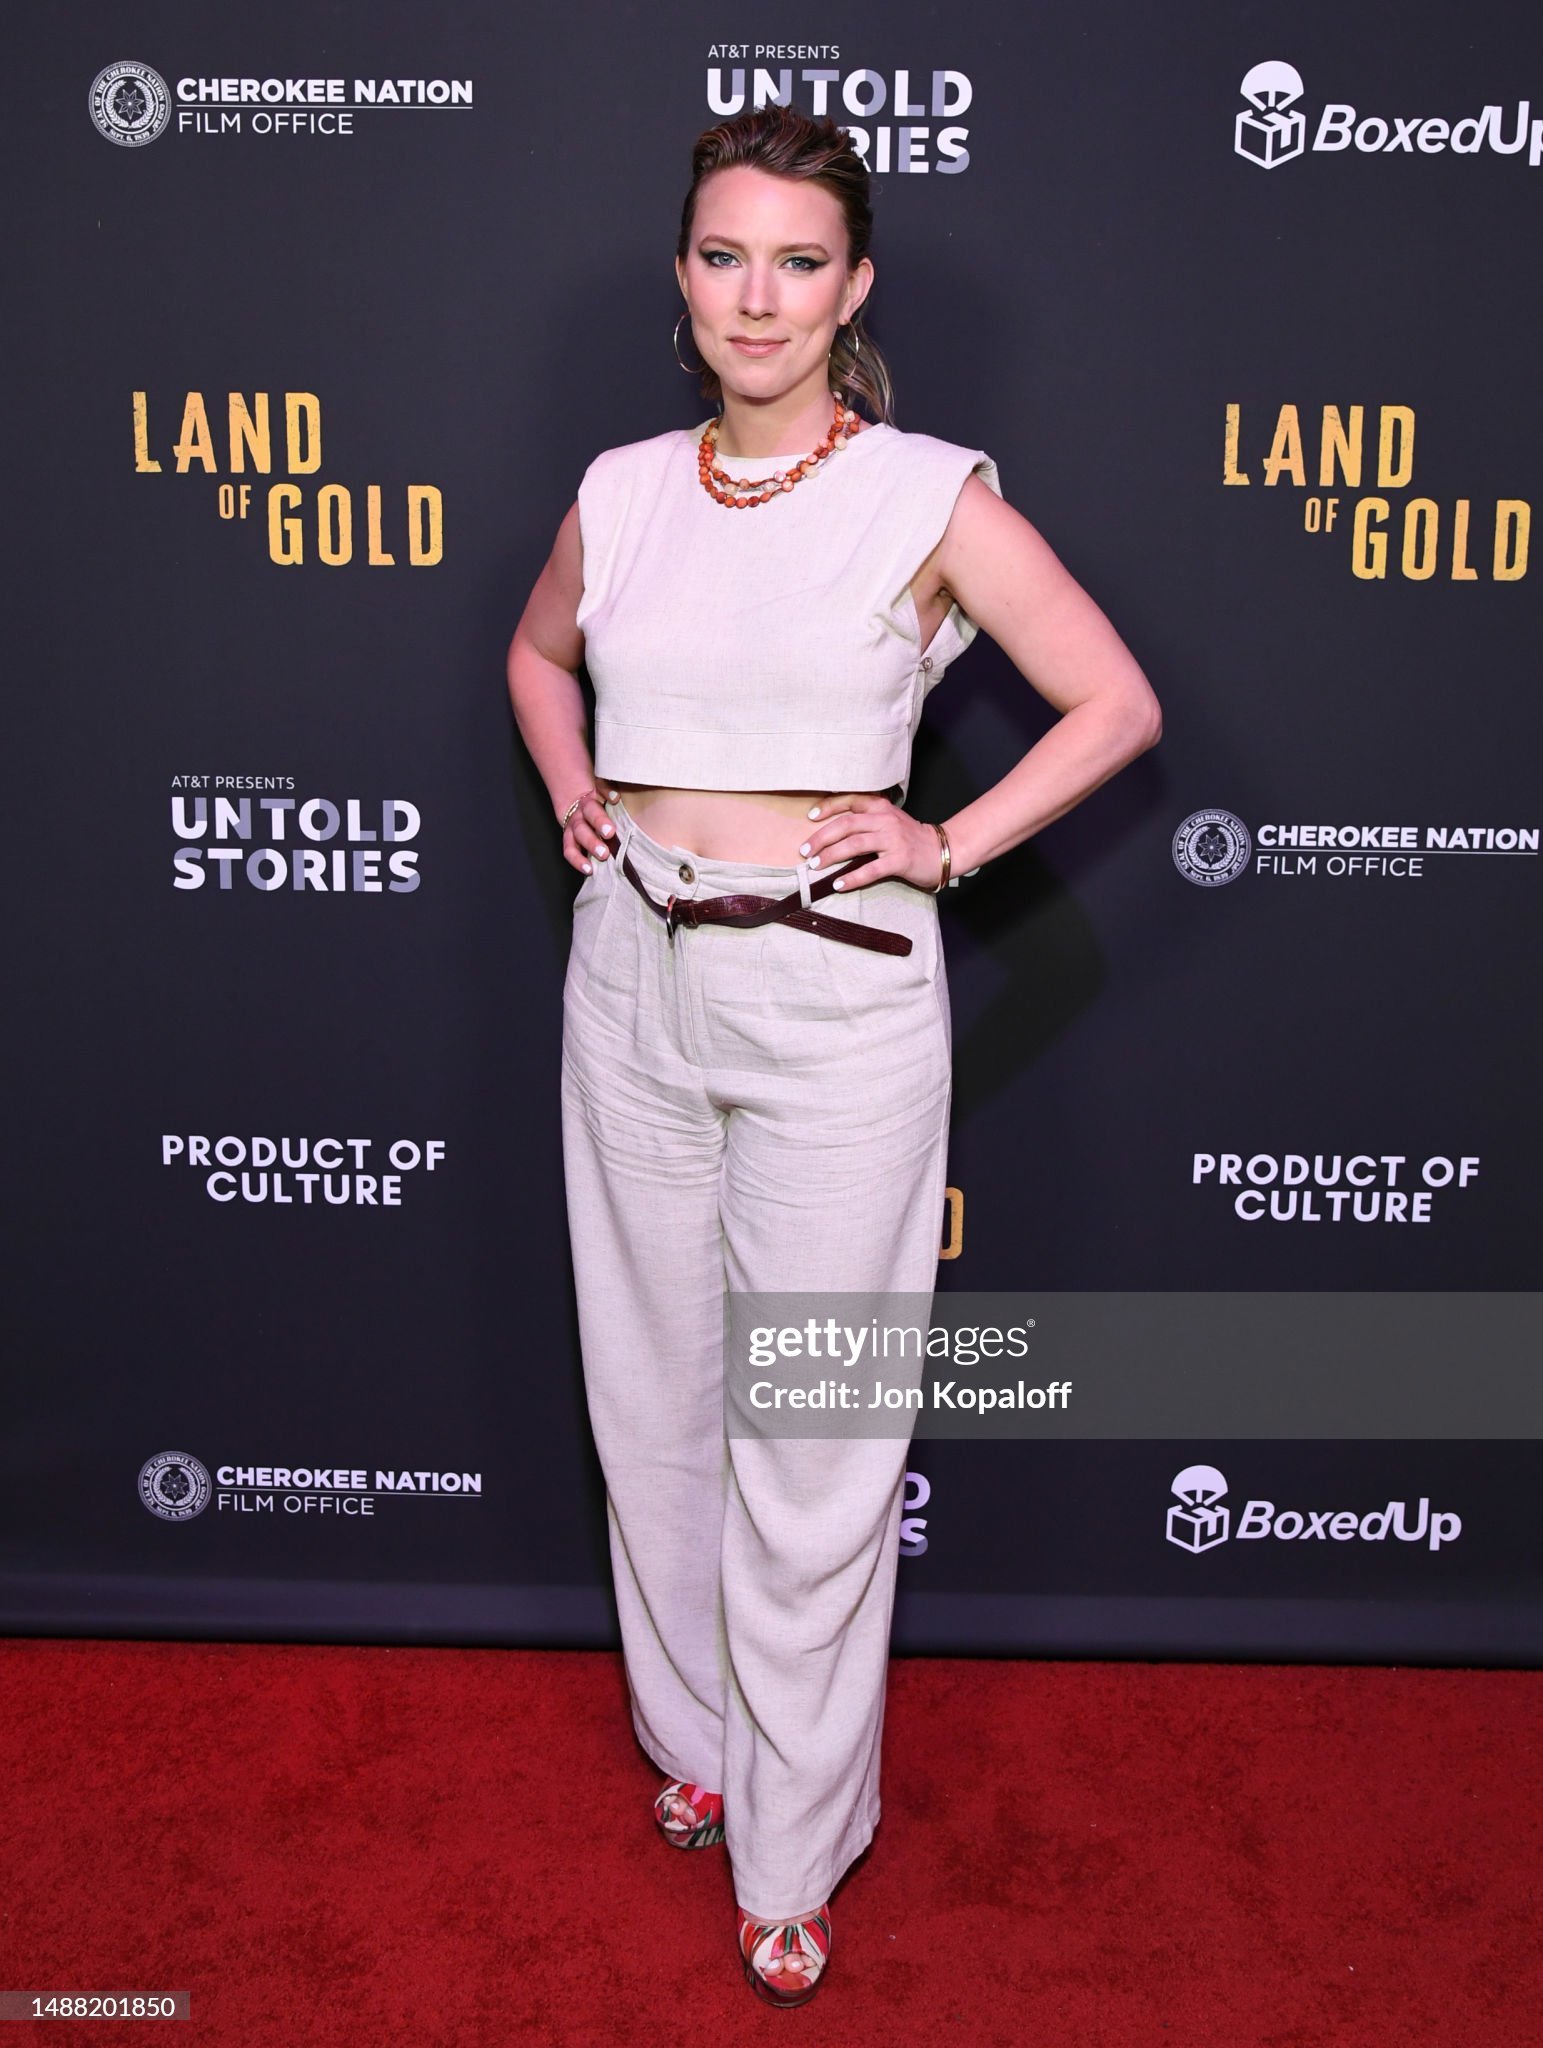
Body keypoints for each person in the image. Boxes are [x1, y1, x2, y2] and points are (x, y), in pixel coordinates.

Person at [505, 102, 1161, 2007]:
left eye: (799, 263)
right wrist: (576, 786)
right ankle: (701, 1743)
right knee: (651, 1401)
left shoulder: (926, 496)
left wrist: (948, 842)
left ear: (854, 287)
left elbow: (1115, 701)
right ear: (684, 275)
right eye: (726, 256)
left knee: (812, 1435)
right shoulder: (625, 490)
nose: (758, 297)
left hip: (835, 1003)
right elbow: (538, 656)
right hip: (630, 977)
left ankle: (793, 1849)